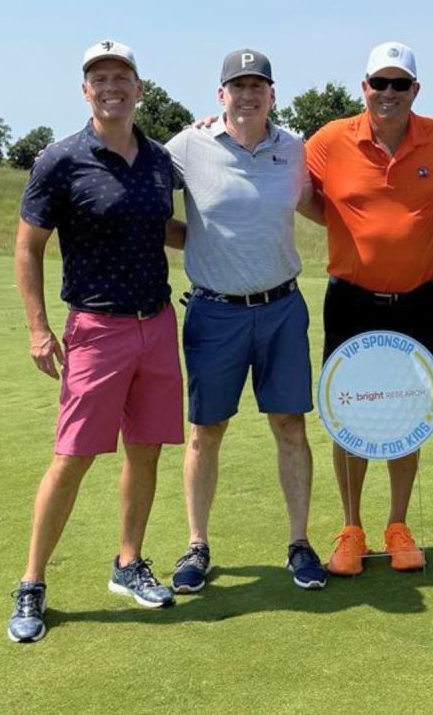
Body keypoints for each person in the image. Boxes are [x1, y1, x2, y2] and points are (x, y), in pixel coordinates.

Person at [7, 40, 184, 643]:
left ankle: (128, 563)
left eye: (121, 76)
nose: (111, 86)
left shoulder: (160, 159)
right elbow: (28, 247)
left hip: (158, 324)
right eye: (98, 78)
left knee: (146, 449)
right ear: (86, 91)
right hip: (96, 328)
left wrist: (232, 239)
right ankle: (32, 583)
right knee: (74, 456)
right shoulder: (61, 159)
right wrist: (37, 327)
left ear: (139, 88)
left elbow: (165, 225)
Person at [166, 49, 328, 592]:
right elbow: (140, 192)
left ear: (271, 94)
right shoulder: (189, 145)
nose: (247, 95)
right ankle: (196, 545)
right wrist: (192, 240)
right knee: (206, 431)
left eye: (257, 85)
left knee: (290, 426)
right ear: (220, 96)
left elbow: (326, 199)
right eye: (237, 86)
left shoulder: (294, 148)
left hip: (282, 308)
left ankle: (300, 543)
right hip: (215, 312)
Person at [306, 42, 433, 575]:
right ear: (364, 86)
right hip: (350, 300)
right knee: (345, 413)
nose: (389, 93)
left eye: (401, 84)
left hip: (417, 300)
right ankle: (351, 528)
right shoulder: (330, 139)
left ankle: (398, 525)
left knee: (408, 413)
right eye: (380, 82)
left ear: (415, 90)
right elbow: (289, 180)